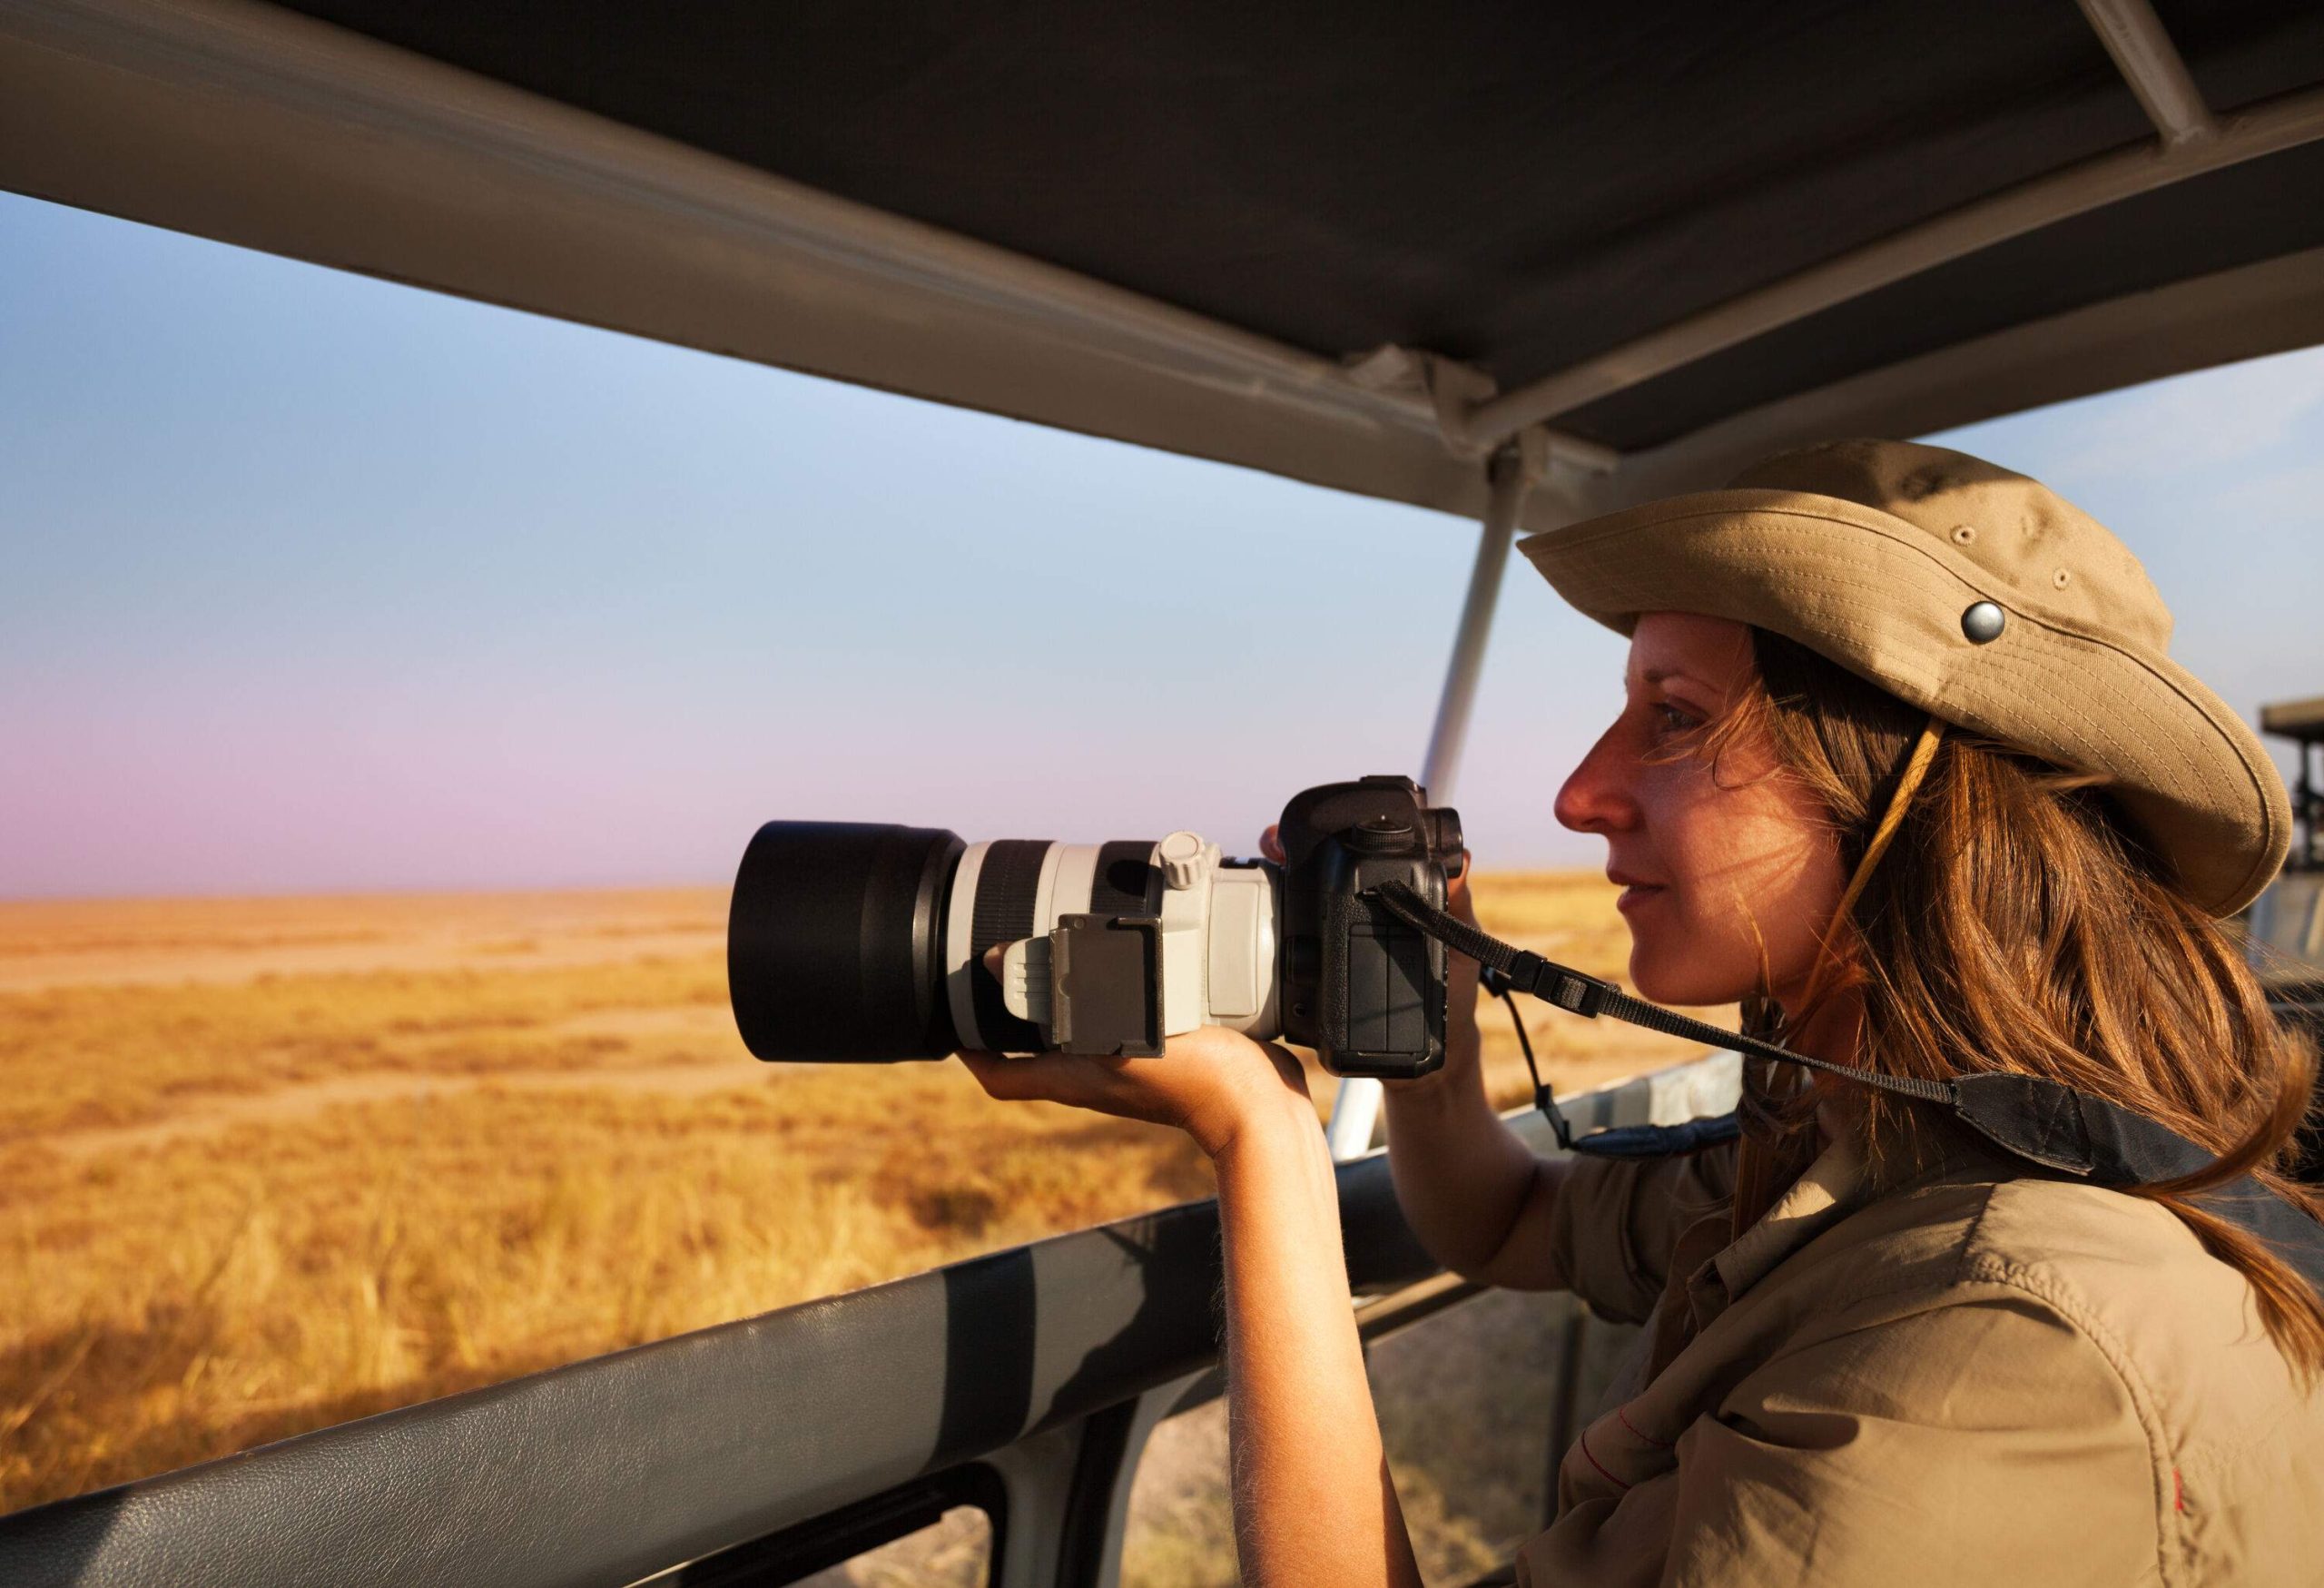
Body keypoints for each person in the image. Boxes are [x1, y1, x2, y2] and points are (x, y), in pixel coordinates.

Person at [960, 439, 2324, 1585]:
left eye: (1673, 718)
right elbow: (1510, 1220)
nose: (1578, 793)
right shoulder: (1866, 1128)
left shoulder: (2010, 1352)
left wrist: (1261, 1140)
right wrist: (1424, 1038)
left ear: (1912, 804)